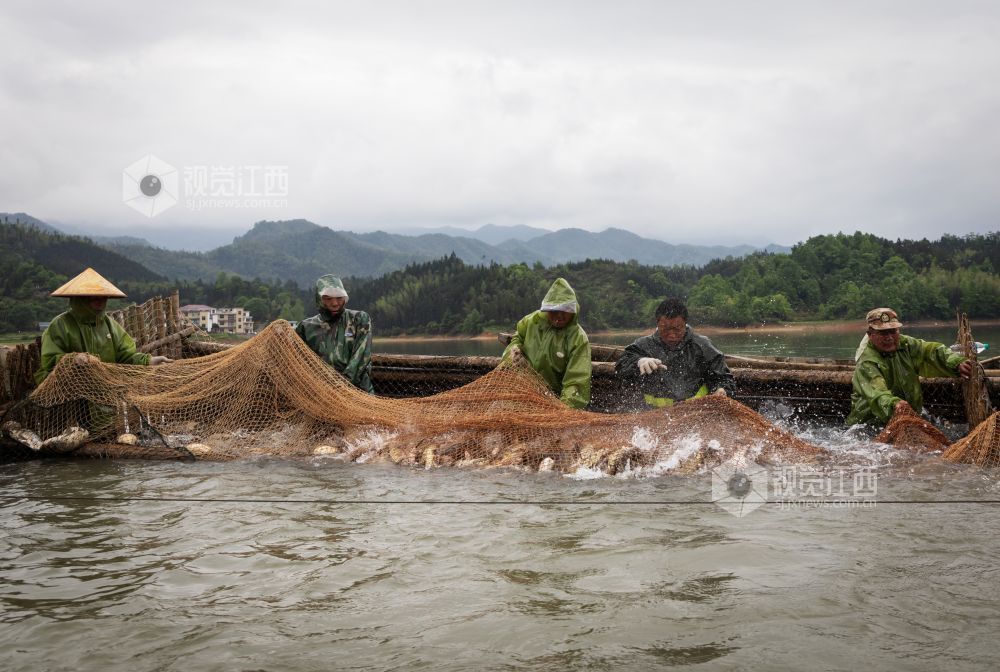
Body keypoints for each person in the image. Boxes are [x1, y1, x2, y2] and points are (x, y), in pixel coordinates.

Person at [35, 267, 172, 384]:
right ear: (80, 299)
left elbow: (125, 357)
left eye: (103, 298)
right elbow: (49, 362)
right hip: (70, 402)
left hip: (104, 398)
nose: (100, 302)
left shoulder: (110, 325)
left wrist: (148, 361)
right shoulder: (60, 325)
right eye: (94, 298)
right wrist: (73, 360)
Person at [845, 307, 972, 426]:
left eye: (893, 331)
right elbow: (878, 394)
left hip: (908, 417)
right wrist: (895, 404)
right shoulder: (867, 362)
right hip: (869, 425)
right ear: (870, 335)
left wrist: (956, 362)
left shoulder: (905, 344)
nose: (889, 337)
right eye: (883, 333)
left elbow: (932, 350)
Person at [616, 297, 735, 409]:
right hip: (652, 413)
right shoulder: (643, 345)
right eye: (665, 328)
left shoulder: (703, 346)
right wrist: (639, 361)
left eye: (677, 329)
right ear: (657, 324)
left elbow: (723, 377)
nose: (671, 334)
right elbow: (621, 366)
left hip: (696, 412)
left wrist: (722, 389)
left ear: (685, 324)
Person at [502, 277, 591, 409]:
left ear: (573, 311)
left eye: (564, 311)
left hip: (552, 398)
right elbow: (518, 337)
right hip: (521, 390)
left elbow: (576, 381)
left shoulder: (578, 339)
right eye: (554, 311)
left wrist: (564, 410)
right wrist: (514, 348)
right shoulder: (532, 321)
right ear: (546, 309)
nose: (559, 316)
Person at [295, 274, 374, 393]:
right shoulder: (305, 327)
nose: (335, 303)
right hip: (321, 394)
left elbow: (361, 358)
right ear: (319, 299)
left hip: (359, 393)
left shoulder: (359, 319)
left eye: (339, 298)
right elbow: (298, 363)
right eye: (328, 298)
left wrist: (340, 388)